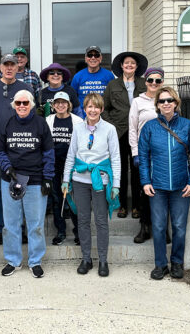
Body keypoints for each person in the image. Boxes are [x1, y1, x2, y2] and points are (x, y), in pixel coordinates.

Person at [138, 86, 190, 281]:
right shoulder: (149, 127)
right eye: (162, 101)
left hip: (181, 186)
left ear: (176, 103)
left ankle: (176, 263)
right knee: (157, 227)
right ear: (157, 105)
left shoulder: (187, 126)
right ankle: (160, 265)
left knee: (179, 226)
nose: (166, 104)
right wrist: (145, 181)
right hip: (157, 186)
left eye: (169, 100)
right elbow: (143, 157)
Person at [0, 90, 54, 278]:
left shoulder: (40, 124)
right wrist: (7, 168)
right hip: (11, 180)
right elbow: (0, 151)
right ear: (14, 105)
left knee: (35, 224)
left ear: (31, 104)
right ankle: (13, 260)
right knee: (10, 224)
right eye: (18, 103)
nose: (22, 106)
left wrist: (47, 178)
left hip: (35, 180)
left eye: (25, 103)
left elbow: (48, 153)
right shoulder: (7, 123)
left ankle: (35, 261)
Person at [62, 93, 120, 277]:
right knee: (83, 220)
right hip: (80, 180)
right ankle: (86, 258)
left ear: (101, 109)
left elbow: (116, 158)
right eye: (89, 107)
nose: (93, 110)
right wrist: (66, 180)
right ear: (84, 109)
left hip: (100, 181)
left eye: (96, 107)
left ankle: (103, 260)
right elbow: (71, 155)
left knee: (101, 221)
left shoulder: (110, 129)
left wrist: (116, 184)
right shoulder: (78, 129)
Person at [0, 54, 33, 245]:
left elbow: (31, 117)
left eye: (13, 65)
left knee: (22, 187)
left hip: (21, 146)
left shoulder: (25, 88)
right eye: (6, 65)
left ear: (18, 67)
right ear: (0, 67)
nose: (9, 68)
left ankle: (21, 228)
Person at [102, 51, 148, 219]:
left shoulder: (144, 83)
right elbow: (104, 109)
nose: (129, 65)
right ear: (121, 66)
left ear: (136, 67)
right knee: (119, 169)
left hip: (139, 133)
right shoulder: (112, 85)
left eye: (132, 63)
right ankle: (121, 205)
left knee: (137, 170)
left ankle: (136, 205)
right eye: (126, 63)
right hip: (119, 132)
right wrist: (111, 126)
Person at [128, 67, 164, 243]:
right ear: (145, 82)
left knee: (162, 191)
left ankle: (162, 229)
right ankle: (144, 227)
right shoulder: (137, 102)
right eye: (151, 80)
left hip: (163, 154)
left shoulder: (167, 99)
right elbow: (133, 129)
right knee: (144, 192)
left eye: (158, 80)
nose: (154, 84)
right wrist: (135, 153)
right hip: (144, 153)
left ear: (162, 82)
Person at [46, 92, 82, 245]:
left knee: (73, 199)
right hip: (54, 165)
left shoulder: (78, 121)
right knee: (56, 198)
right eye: (57, 103)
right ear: (53, 106)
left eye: (64, 102)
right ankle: (60, 231)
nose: (61, 105)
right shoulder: (48, 120)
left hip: (72, 165)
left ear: (69, 105)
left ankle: (79, 231)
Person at [70, 46, 115, 118]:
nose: (93, 58)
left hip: (104, 119)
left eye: (96, 55)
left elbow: (113, 98)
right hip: (83, 119)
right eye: (90, 55)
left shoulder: (109, 75)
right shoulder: (78, 76)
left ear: (100, 58)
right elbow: (72, 99)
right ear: (86, 59)